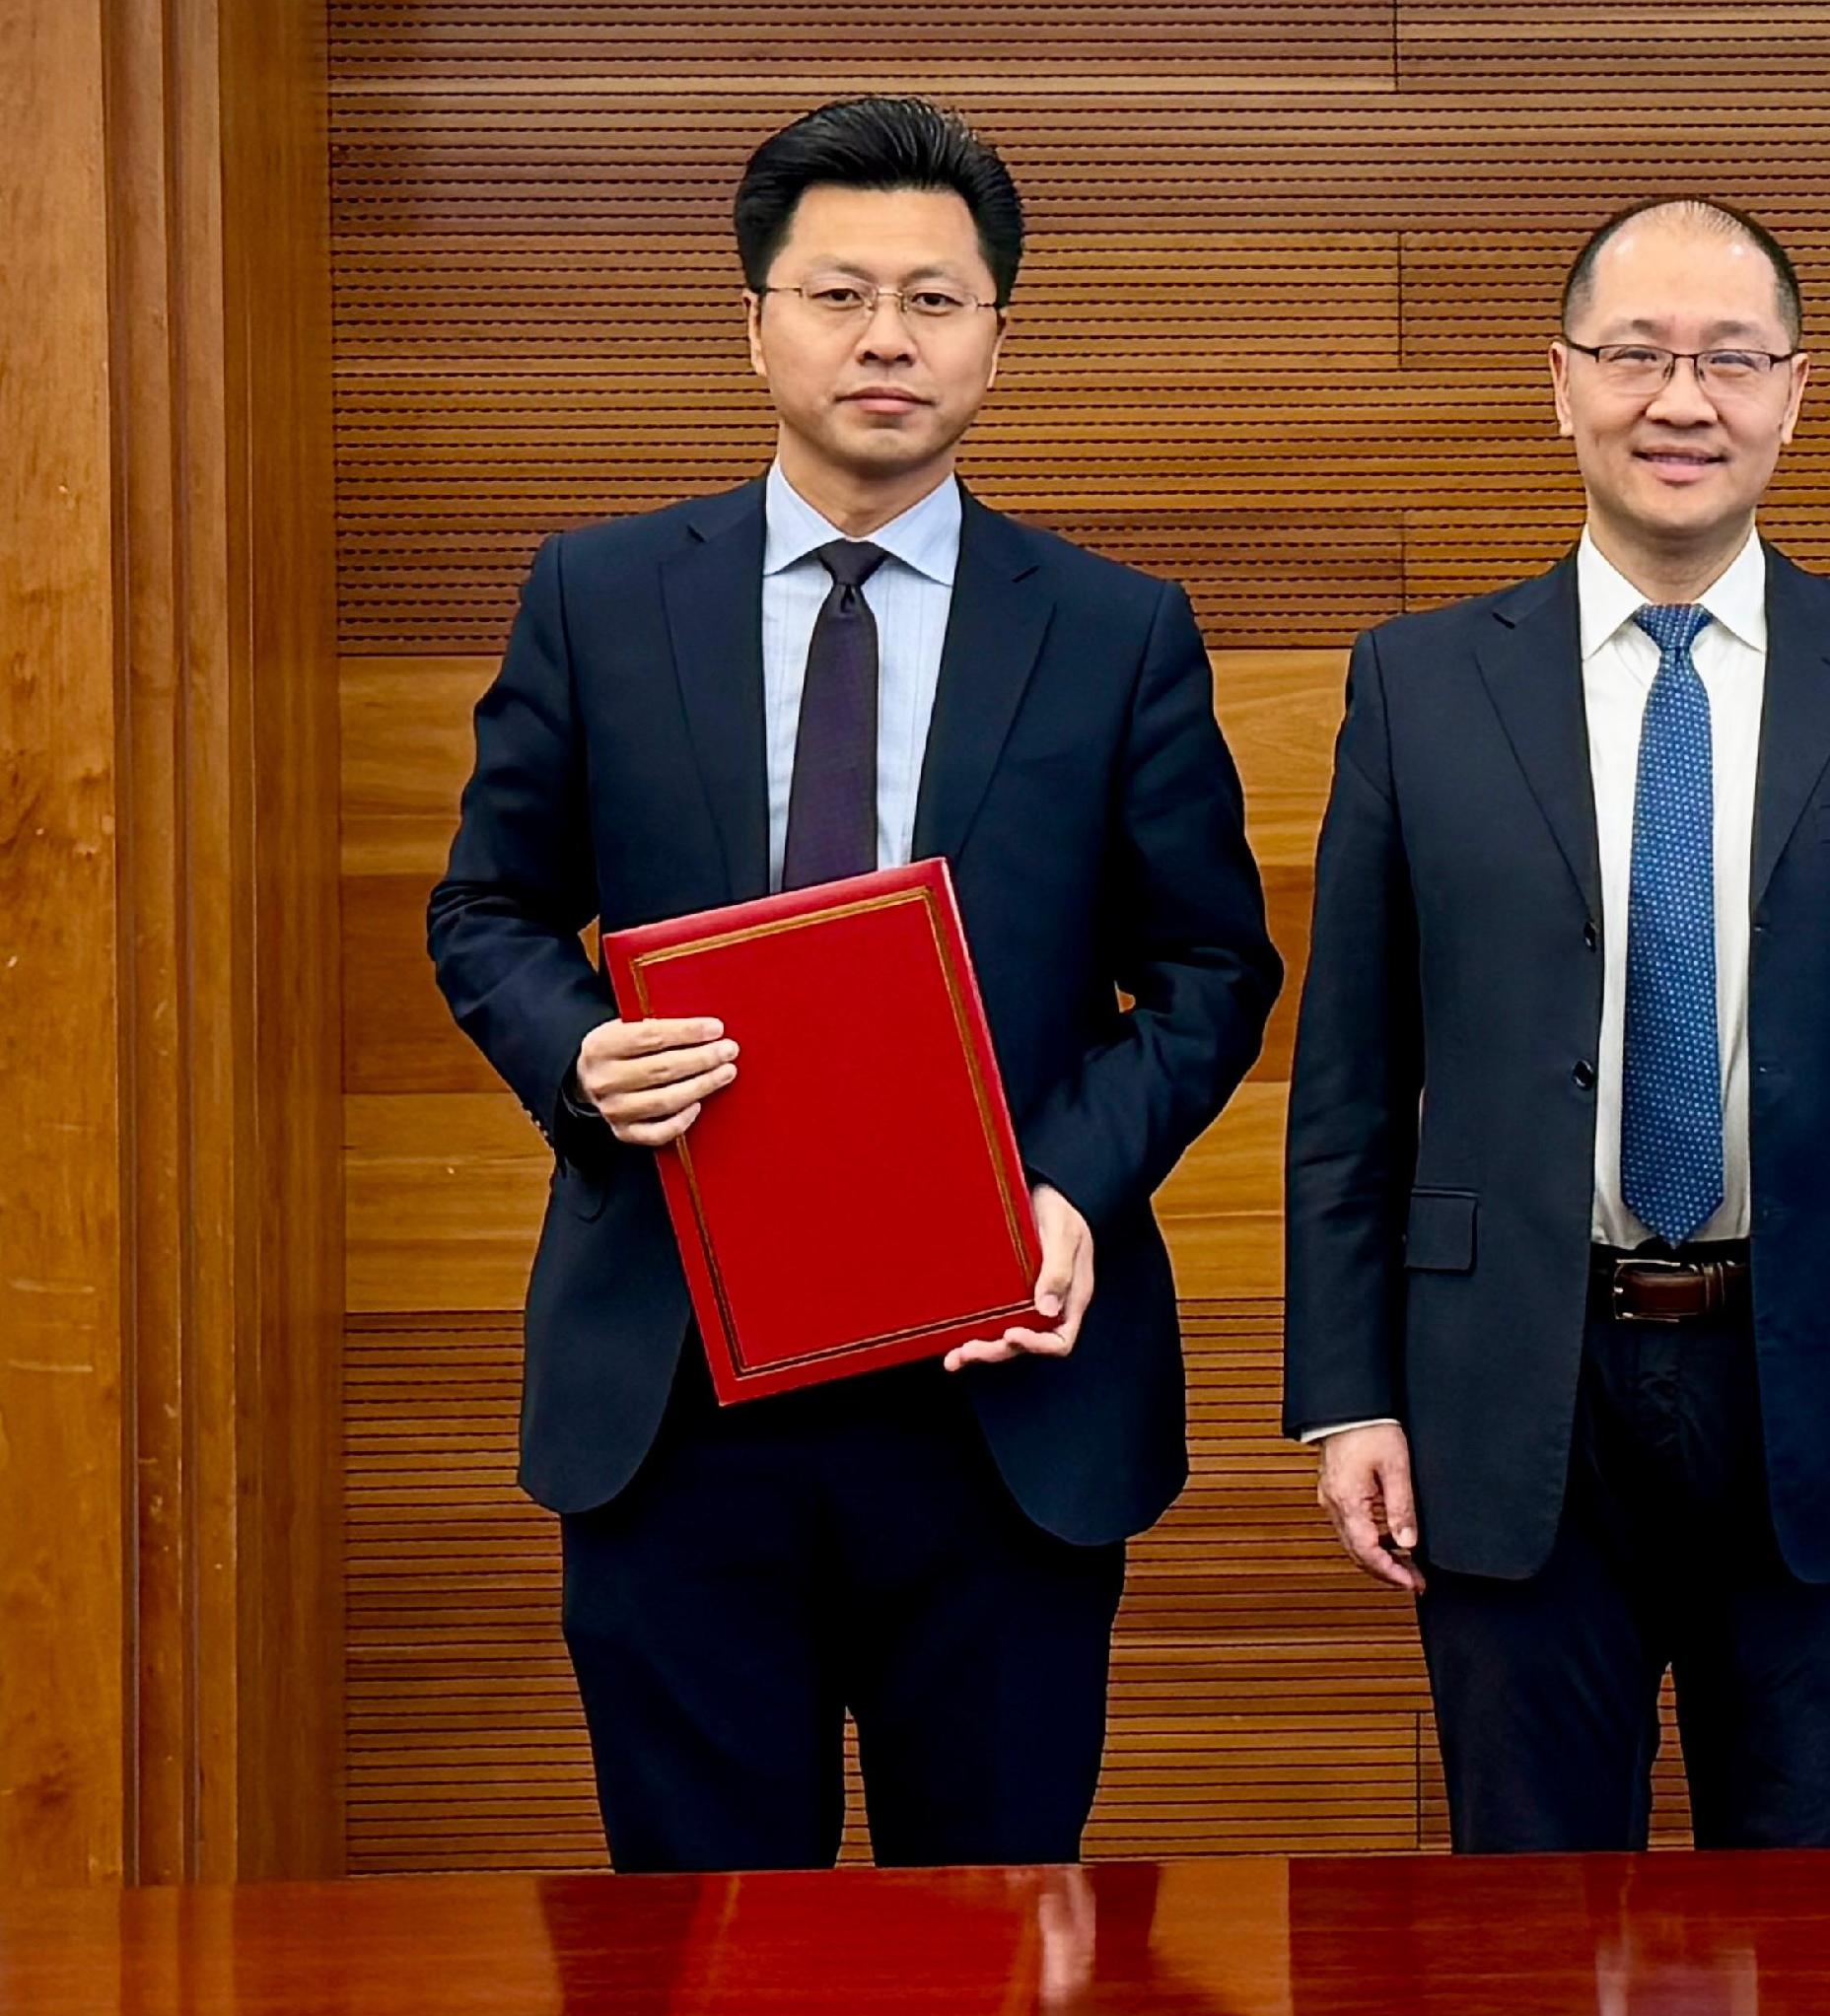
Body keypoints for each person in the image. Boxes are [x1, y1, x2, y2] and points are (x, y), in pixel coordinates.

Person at [426, 96, 1284, 1872]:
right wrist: (580, 1053)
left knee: (992, 1963)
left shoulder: (1116, 628)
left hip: (1000, 1389)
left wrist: (1067, 1186)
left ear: (995, 339)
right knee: (707, 1963)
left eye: (934, 299)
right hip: (676, 1386)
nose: (885, 337)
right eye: (838, 294)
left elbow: (1209, 968)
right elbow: (487, 910)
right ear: (756, 325)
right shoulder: (599, 596)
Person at [1284, 195, 1830, 1852]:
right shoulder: (1418, 684)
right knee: (1530, 1923)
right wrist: (1349, 1393)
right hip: (1512, 1384)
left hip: (1824, 1382)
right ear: (1561, 387)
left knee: (1816, 1922)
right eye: (1635, 356)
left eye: (1729, 360)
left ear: (1795, 392)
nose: (1681, 401)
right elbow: (1351, 1083)